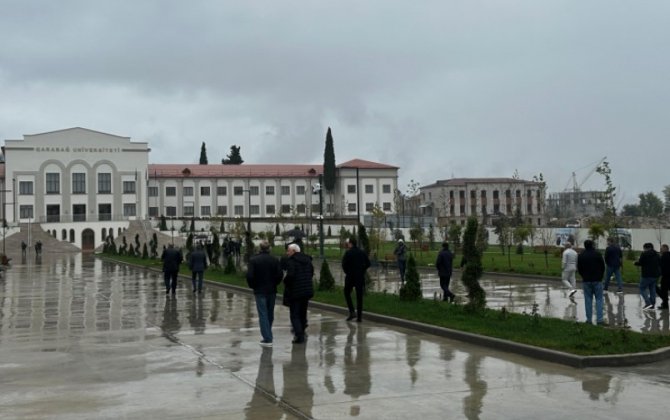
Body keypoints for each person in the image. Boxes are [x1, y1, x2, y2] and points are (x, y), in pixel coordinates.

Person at [246, 241, 283, 347]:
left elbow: (249, 276)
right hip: (271, 290)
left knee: (263, 314)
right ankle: (268, 334)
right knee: (269, 313)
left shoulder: (254, 260)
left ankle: (267, 338)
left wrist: (253, 286)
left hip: (260, 290)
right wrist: (275, 283)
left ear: (260, 248)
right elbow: (280, 274)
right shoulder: (275, 260)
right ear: (269, 249)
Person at [283, 243, 314, 344]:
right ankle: (303, 329)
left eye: (288, 250)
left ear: (294, 251)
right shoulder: (308, 260)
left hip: (296, 291)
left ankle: (299, 335)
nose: (287, 253)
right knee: (303, 312)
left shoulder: (292, 261)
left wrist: (285, 281)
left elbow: (290, 275)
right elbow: (311, 272)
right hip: (306, 290)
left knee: (295, 314)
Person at [577, 239, 606, 325]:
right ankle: (600, 319)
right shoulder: (597, 254)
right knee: (599, 299)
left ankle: (589, 320)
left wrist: (583, 276)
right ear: (592, 245)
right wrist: (600, 276)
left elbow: (579, 268)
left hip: (586, 280)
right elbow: (602, 266)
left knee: (588, 300)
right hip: (597, 279)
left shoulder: (581, 255)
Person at [342, 236, 371, 322]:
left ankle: (352, 311)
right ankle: (359, 317)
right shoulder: (362, 252)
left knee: (346, 292)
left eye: (348, 244)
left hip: (350, 277)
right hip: (359, 277)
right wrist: (362, 270)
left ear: (350, 243)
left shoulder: (348, 253)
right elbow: (368, 263)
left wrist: (348, 272)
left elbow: (344, 265)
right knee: (359, 297)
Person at [635, 242, 660, 311]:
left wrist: (635, 263)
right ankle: (652, 304)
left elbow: (640, 263)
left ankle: (648, 303)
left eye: (644, 248)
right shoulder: (657, 254)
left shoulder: (644, 254)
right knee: (652, 289)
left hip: (646, 275)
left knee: (642, 288)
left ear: (646, 248)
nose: (644, 249)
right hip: (655, 275)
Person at [657, 244, 670, 310]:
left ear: (665, 248)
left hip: (666, 276)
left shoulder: (663, 256)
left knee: (663, 291)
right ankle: (665, 302)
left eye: (661, 248)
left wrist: (659, 276)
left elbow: (661, 267)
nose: (660, 250)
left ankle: (665, 305)